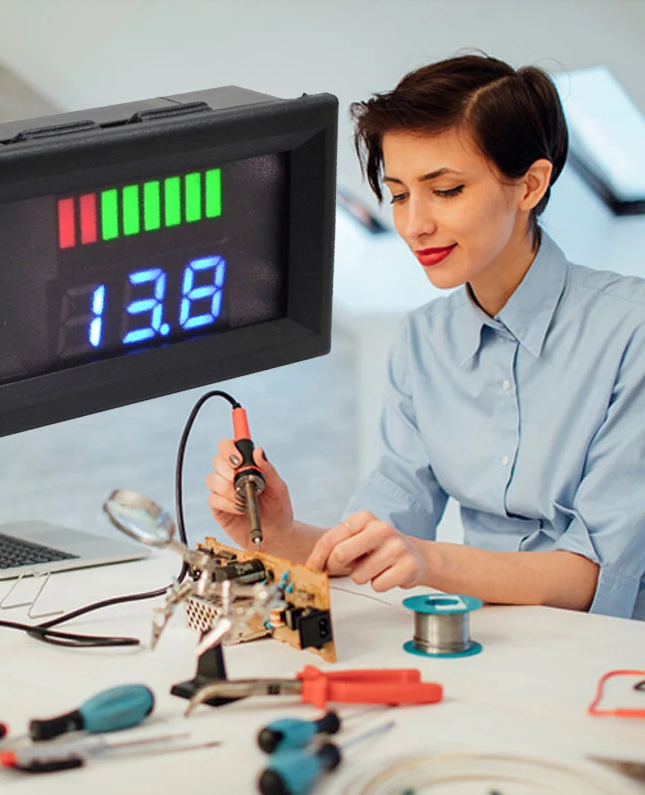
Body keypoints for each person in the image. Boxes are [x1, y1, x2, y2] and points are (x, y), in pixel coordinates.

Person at [206, 54, 645, 621]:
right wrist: (278, 532)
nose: (414, 226)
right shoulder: (423, 340)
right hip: (483, 636)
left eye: (446, 190)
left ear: (531, 185)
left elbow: (594, 576)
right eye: (399, 194)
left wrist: (427, 559)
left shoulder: (631, 331)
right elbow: (384, 533)